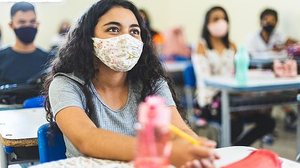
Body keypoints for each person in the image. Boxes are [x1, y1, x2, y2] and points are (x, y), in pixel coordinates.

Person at [44, 0, 218, 167]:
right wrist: (162, 152)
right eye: (113, 29)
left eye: (134, 31)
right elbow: (87, 139)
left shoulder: (151, 83)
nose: (126, 39)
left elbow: (179, 130)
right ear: (88, 39)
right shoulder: (66, 84)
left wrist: (193, 147)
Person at [192, 6, 275, 146]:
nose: (221, 22)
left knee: (268, 121)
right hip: (209, 99)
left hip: (234, 97)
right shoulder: (201, 46)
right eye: (216, 19)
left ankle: (238, 148)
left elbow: (240, 73)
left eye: (224, 18)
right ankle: (224, 151)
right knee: (235, 124)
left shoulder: (233, 46)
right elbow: (204, 78)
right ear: (207, 23)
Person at [246, 8, 298, 132]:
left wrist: (284, 46)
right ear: (260, 21)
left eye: (272, 20)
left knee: (278, 90)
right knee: (269, 93)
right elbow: (249, 57)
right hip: (258, 71)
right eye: (266, 20)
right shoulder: (252, 38)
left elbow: (294, 44)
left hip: (275, 70)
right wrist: (270, 51)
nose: (269, 23)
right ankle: (287, 112)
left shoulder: (279, 36)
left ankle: (275, 121)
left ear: (277, 22)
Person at [0, 1, 51, 86]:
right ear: (11, 25)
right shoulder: (2, 58)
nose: (28, 25)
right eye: (22, 22)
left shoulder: (49, 60)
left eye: (32, 21)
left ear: (37, 24)